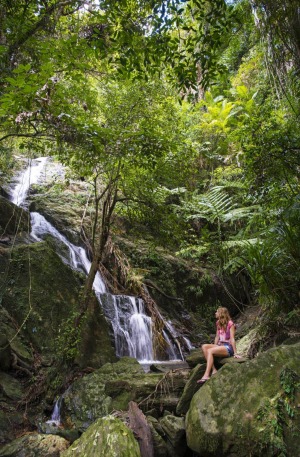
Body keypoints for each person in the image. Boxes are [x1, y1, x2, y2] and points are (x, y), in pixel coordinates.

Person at [197, 306, 241, 384]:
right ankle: (214, 370)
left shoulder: (231, 324)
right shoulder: (218, 323)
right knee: (204, 347)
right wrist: (214, 347)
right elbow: (217, 336)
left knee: (210, 351)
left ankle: (206, 375)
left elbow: (232, 339)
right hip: (221, 346)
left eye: (217, 311)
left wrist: (235, 353)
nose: (215, 313)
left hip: (228, 347)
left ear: (221, 313)